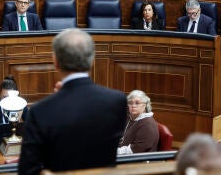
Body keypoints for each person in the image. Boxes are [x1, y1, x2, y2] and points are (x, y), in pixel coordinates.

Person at [18, 28, 127, 174]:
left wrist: (57, 101)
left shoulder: (40, 111)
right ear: (92, 61)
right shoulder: (117, 101)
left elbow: (28, 171)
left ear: (55, 61)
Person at [117, 90, 159, 154]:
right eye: (130, 103)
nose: (133, 106)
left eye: (137, 103)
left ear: (144, 105)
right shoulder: (130, 118)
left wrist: (112, 151)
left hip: (138, 161)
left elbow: (134, 150)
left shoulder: (147, 124)